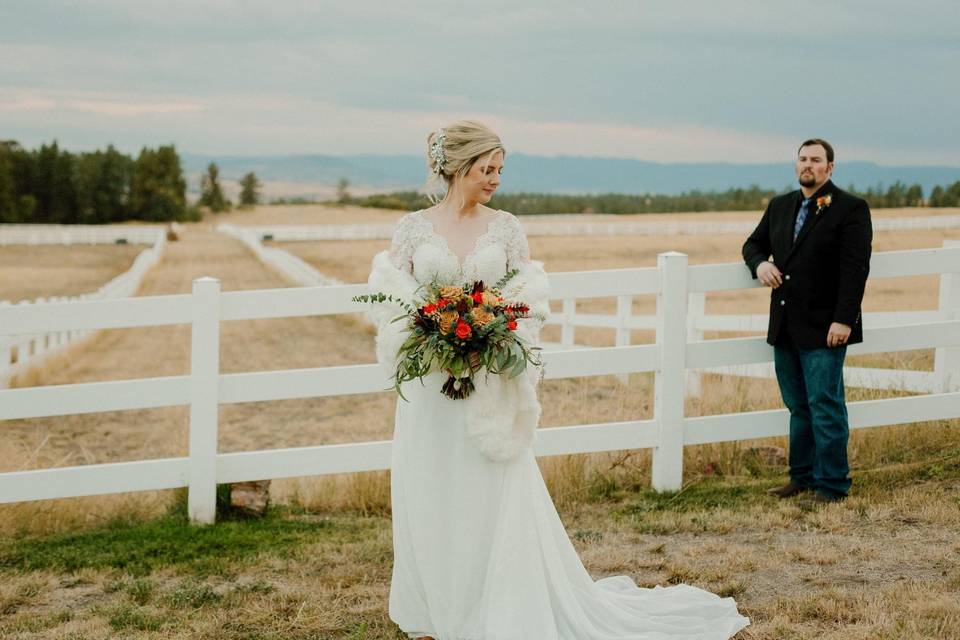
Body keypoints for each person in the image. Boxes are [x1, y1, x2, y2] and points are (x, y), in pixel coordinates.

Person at [366, 119, 750, 638]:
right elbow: (391, 296)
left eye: (500, 169)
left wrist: (494, 334)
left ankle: (496, 605)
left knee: (488, 490)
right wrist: (427, 333)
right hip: (432, 385)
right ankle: (437, 611)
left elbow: (529, 294)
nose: (495, 179)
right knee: (432, 488)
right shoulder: (412, 229)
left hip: (488, 382)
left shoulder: (505, 227)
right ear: (457, 167)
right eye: (487, 169)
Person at [742, 138, 873, 504]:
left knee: (825, 405)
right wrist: (761, 264)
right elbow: (752, 245)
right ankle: (801, 476)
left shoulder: (850, 208)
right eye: (802, 159)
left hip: (825, 326)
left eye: (816, 160)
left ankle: (832, 485)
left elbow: (855, 269)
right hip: (785, 323)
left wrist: (844, 320)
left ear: (830, 168)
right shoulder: (780, 206)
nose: (808, 165)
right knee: (798, 406)